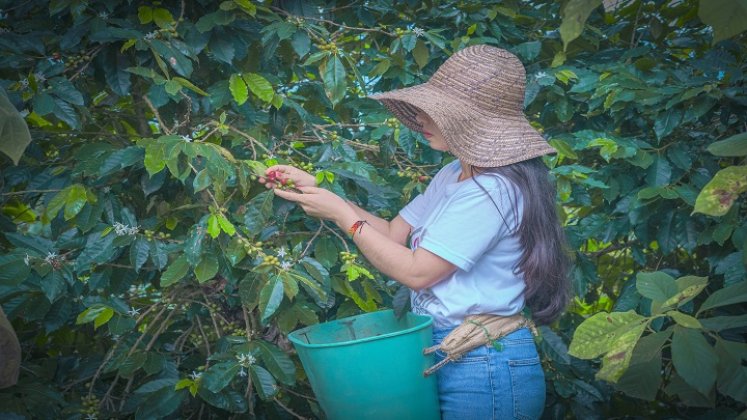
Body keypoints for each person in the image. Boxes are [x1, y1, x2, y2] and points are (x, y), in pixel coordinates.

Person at [263, 44, 571, 420]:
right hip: (448, 350)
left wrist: (343, 215)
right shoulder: (454, 174)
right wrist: (321, 193)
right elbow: (393, 234)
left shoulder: (492, 189)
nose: (422, 118)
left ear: (469, 120)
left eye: (434, 111)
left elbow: (417, 271)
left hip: (484, 363)